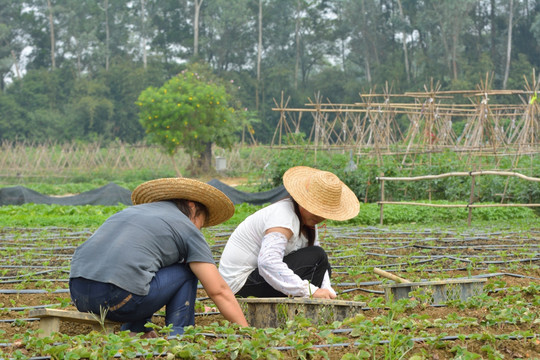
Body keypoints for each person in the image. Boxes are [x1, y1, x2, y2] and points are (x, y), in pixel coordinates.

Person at [69, 177, 249, 337]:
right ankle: (178, 334)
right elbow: (218, 290)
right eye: (203, 221)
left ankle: (136, 329)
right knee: (188, 270)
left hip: (79, 296)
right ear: (192, 206)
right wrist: (247, 331)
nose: (200, 228)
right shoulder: (186, 227)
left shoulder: (129, 213)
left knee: (150, 265)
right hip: (118, 300)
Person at [219, 166, 360, 299]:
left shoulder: (309, 224)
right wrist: (311, 291)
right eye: (316, 209)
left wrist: (327, 291)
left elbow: (319, 265)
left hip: (254, 280)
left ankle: (305, 309)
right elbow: (267, 262)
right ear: (303, 201)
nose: (320, 216)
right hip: (239, 286)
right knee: (318, 256)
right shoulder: (283, 216)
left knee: (322, 262)